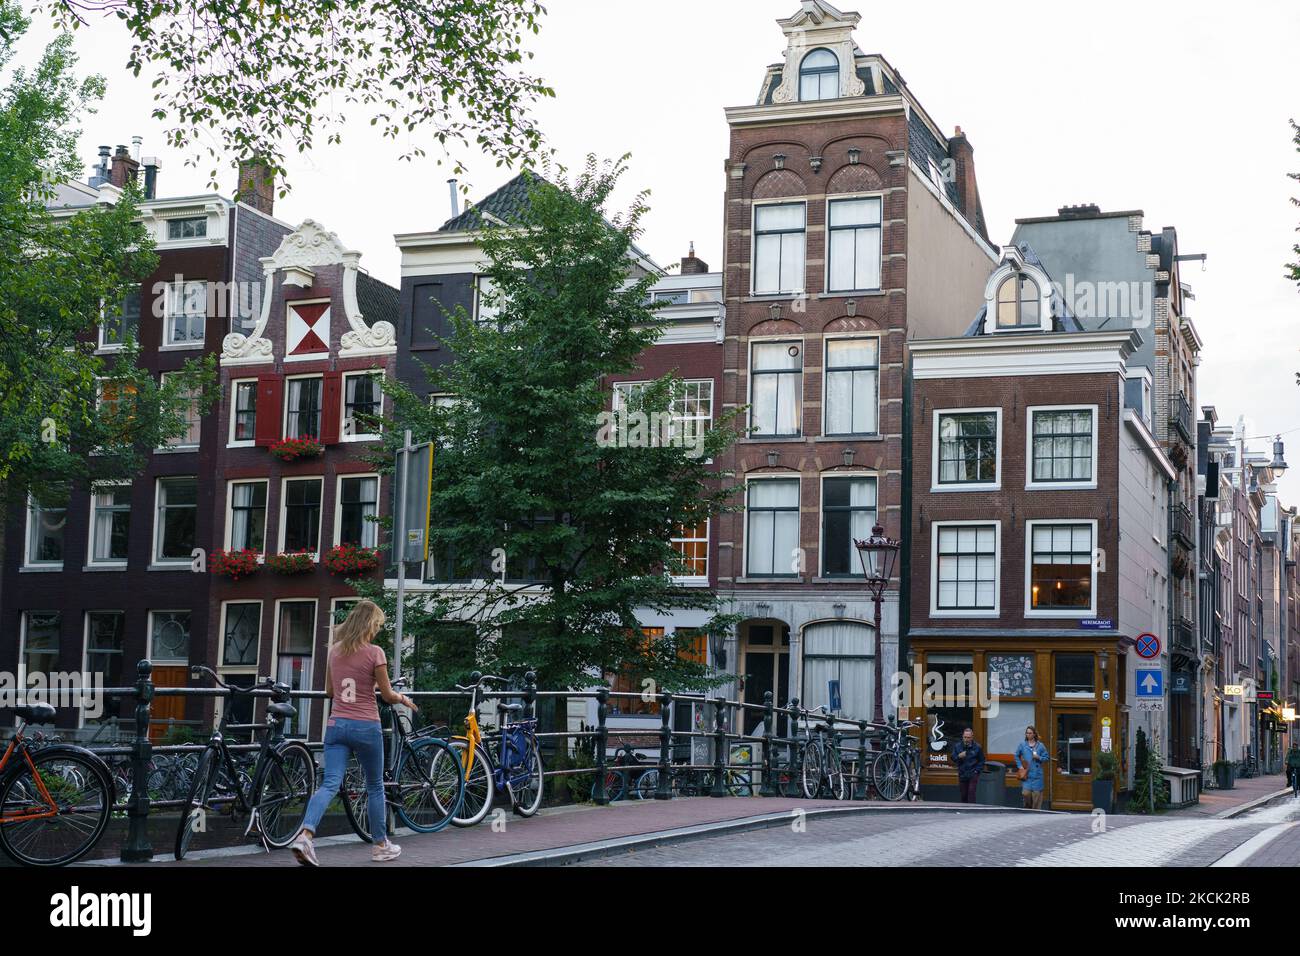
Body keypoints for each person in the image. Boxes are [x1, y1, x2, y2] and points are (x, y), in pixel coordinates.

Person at [291, 600, 417, 865]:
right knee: (374, 786)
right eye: (378, 625)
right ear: (370, 625)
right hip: (365, 726)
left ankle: (305, 835)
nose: (378, 630)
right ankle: (381, 845)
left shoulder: (335, 651)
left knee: (329, 784)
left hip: (336, 725)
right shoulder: (375, 653)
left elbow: (329, 692)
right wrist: (402, 698)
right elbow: (387, 694)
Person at [1014, 725, 1049, 809]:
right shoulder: (1022, 745)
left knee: (1036, 798)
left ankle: (1036, 814)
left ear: (1034, 734)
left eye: (1030, 733)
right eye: (1027, 733)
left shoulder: (1040, 746)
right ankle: (1028, 810)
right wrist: (1020, 766)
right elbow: (1016, 755)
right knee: (1025, 793)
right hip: (1027, 775)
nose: (1028, 735)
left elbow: (1047, 758)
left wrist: (1039, 757)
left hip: (1037, 776)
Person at [952, 727, 984, 804]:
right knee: (963, 794)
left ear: (972, 737)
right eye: (965, 737)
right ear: (962, 737)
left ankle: (972, 810)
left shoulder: (977, 747)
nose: (966, 739)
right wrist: (959, 756)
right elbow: (953, 758)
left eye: (968, 737)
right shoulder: (958, 746)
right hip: (962, 773)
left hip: (973, 773)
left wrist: (977, 771)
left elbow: (982, 760)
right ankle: (964, 810)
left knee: (971, 793)